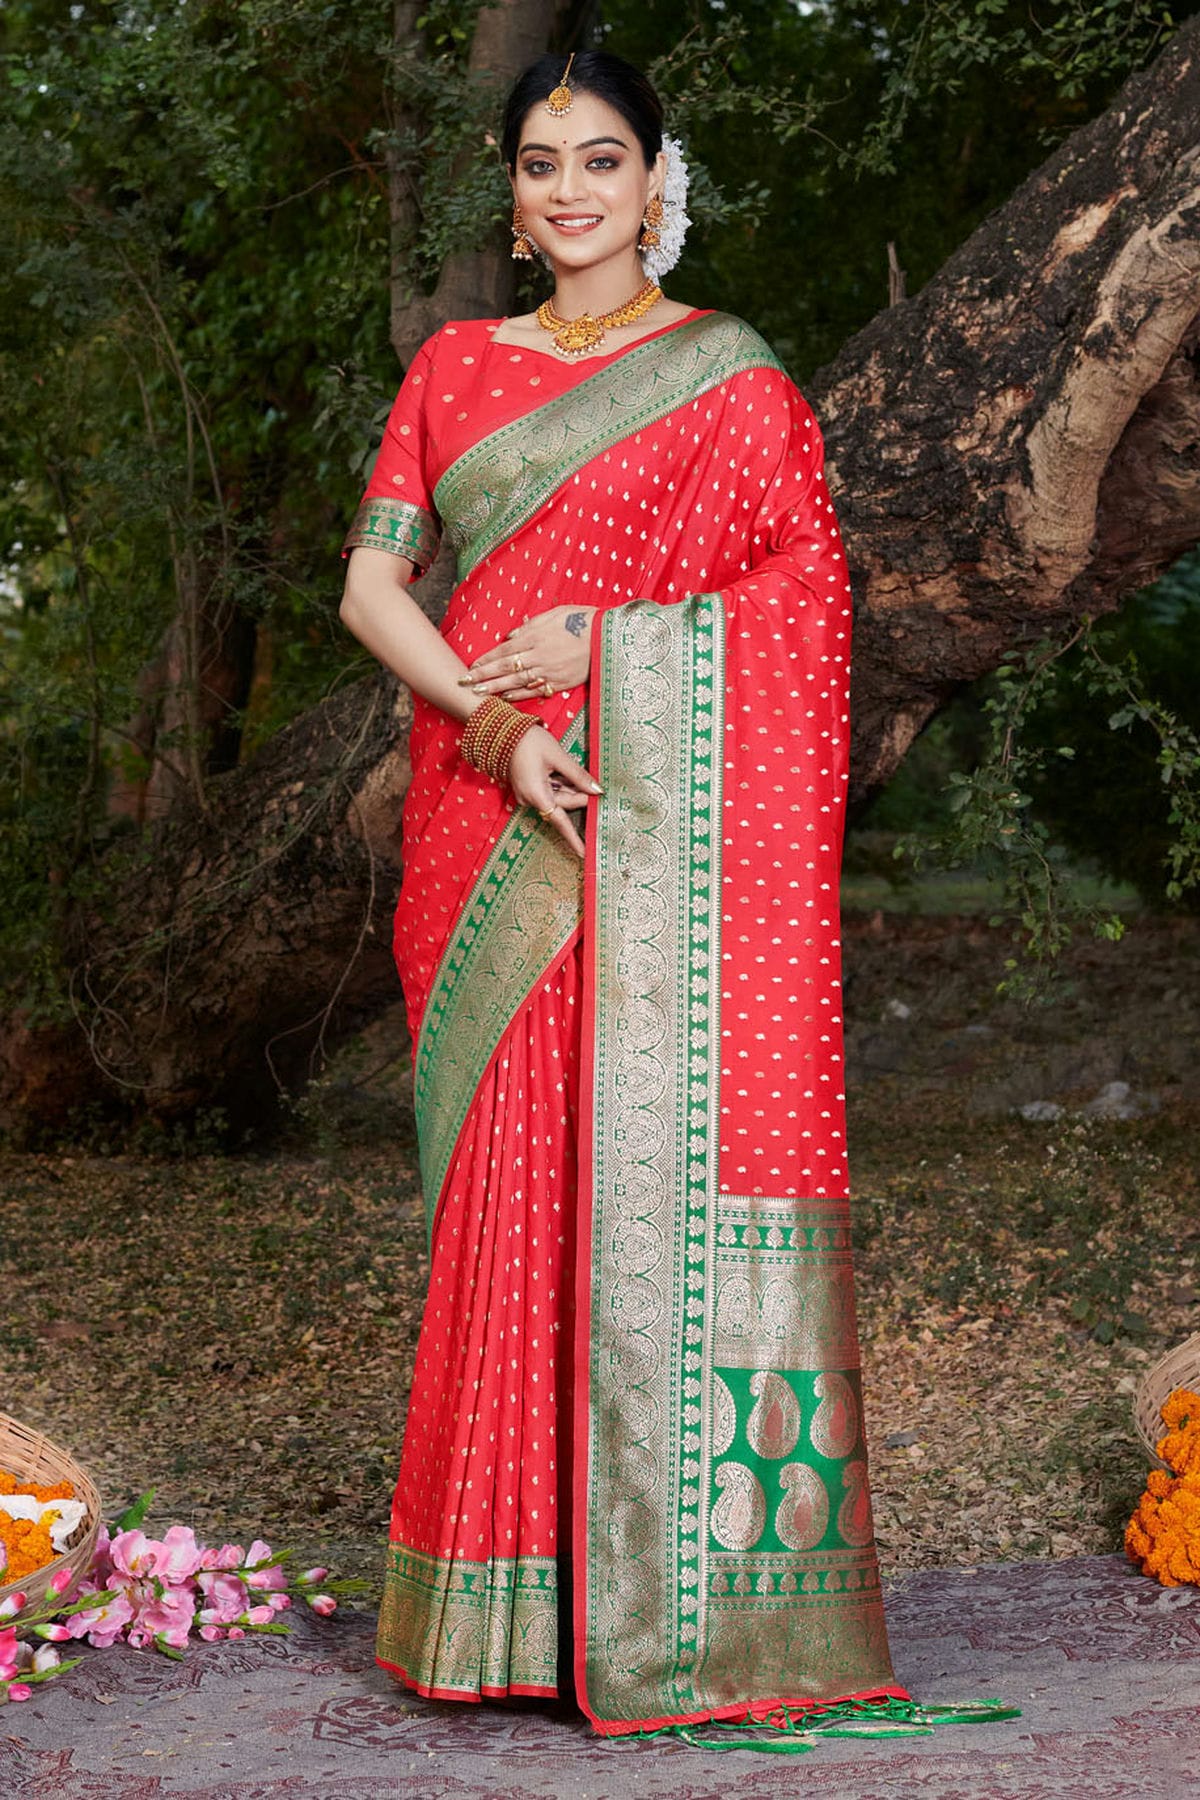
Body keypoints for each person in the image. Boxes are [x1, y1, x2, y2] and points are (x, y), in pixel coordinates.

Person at [340, 48, 1010, 1749]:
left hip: (659, 829)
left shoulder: (733, 380)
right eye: (541, 162)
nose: (570, 190)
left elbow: (810, 611)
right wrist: (497, 728)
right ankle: (500, 1611)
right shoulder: (454, 369)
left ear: (658, 178)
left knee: (638, 1176)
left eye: (603, 159)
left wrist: (616, 653)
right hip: (491, 822)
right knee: (506, 1181)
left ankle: (673, 1611)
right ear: (513, 192)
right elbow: (372, 586)